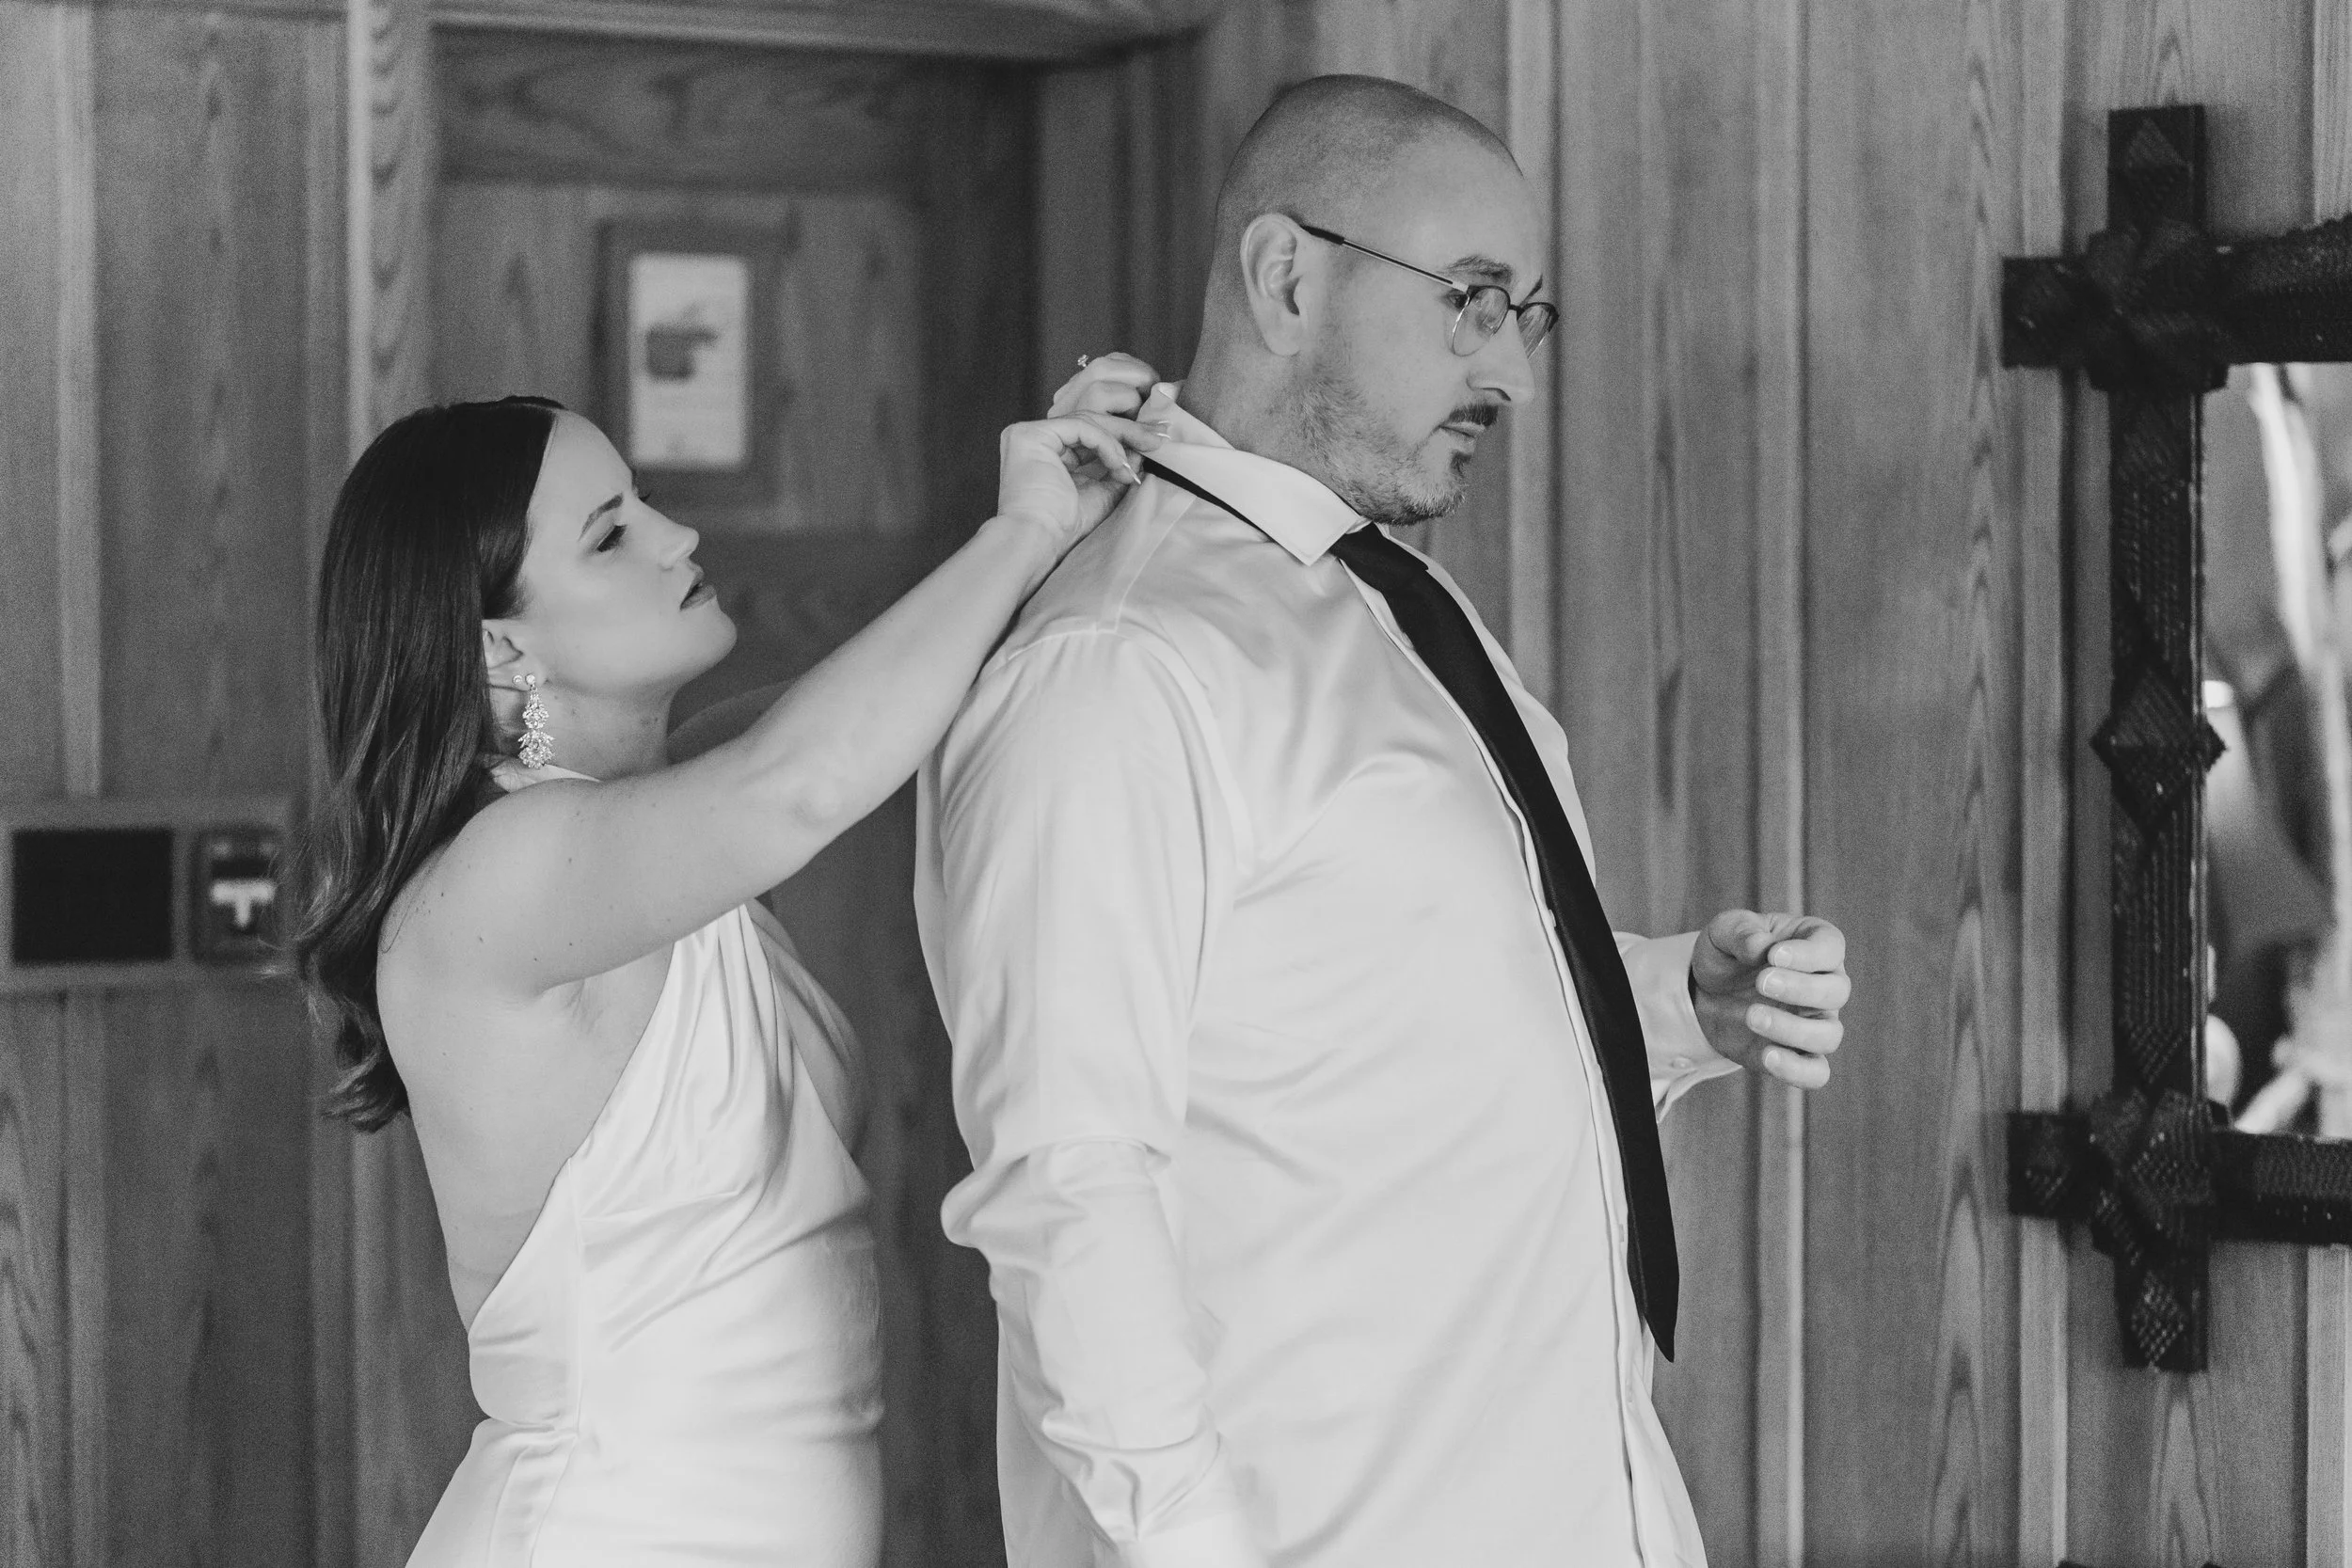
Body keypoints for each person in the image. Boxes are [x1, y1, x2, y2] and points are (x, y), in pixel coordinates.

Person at [915, 75, 1853, 1568]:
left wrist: (1670, 1002)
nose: (1514, 374)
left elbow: (1374, 1020)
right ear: (1288, 278)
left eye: (1526, 316)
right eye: (1472, 301)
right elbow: (1067, 1182)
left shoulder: (1407, 612)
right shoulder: (1119, 664)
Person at [291, 380, 1159, 1567]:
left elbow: (905, 694)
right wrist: (1021, 529)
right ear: (501, 645)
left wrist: (1092, 506)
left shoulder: (668, 819)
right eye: (612, 533)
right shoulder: (503, 870)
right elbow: (802, 778)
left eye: (644, 501)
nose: (677, 534)